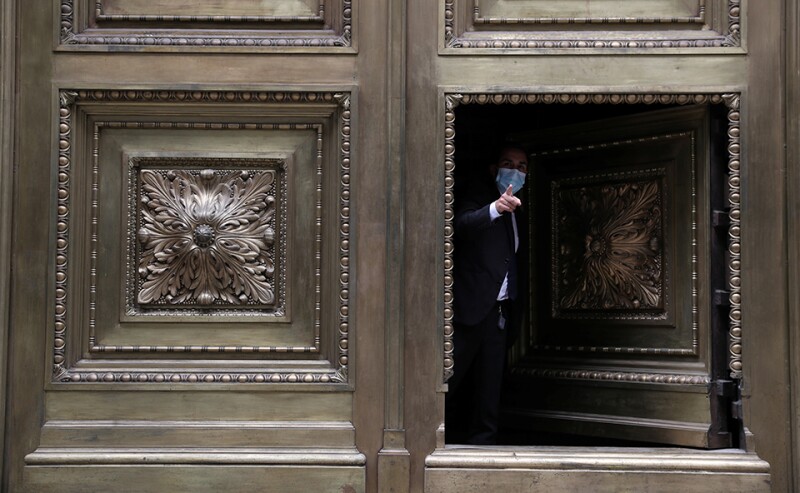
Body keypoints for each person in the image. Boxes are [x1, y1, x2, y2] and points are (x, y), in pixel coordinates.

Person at [446, 144, 529, 445]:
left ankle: (483, 447)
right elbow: (462, 224)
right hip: (469, 311)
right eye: (508, 162)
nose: (515, 170)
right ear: (494, 169)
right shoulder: (479, 197)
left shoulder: (521, 209)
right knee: (448, 382)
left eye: (521, 166)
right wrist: (495, 208)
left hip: (500, 314)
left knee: (489, 390)